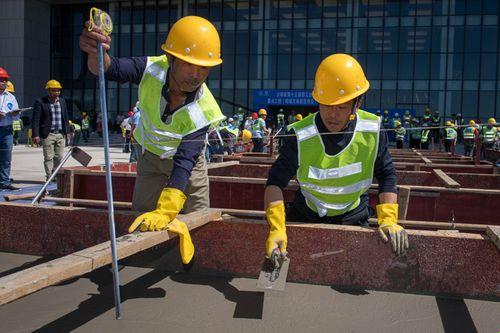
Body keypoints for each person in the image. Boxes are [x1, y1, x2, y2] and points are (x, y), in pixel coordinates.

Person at [80, 15, 225, 265]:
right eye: (190, 64)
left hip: (189, 169)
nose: (197, 74)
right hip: (150, 159)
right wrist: (97, 51)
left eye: (204, 67)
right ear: (171, 58)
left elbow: (185, 162)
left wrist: (169, 206)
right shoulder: (150, 69)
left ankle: (193, 269)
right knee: (143, 215)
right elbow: (106, 68)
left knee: (200, 219)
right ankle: (146, 262)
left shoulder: (204, 110)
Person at [264, 53, 407, 260]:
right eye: (326, 105)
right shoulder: (300, 135)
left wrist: (388, 219)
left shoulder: (372, 130)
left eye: (341, 107)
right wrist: (277, 228)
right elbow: (274, 183)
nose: (332, 115)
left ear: (357, 103)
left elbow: (387, 175)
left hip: (354, 216)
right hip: (306, 214)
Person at [32, 79, 70, 181]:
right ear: (48, 91)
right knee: (48, 157)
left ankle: (56, 175)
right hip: (48, 134)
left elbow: (65, 117)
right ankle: (49, 177)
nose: (57, 92)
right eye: (54, 90)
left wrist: (68, 132)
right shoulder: (40, 102)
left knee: (59, 157)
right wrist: (35, 135)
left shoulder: (62, 101)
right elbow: (36, 119)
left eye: (58, 90)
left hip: (60, 134)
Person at [0, 67, 21, 191]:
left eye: (5, 80)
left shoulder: (10, 97)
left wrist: (14, 113)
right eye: (1, 80)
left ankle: (4, 182)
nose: (4, 82)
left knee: (6, 157)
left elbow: (17, 115)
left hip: (7, 130)